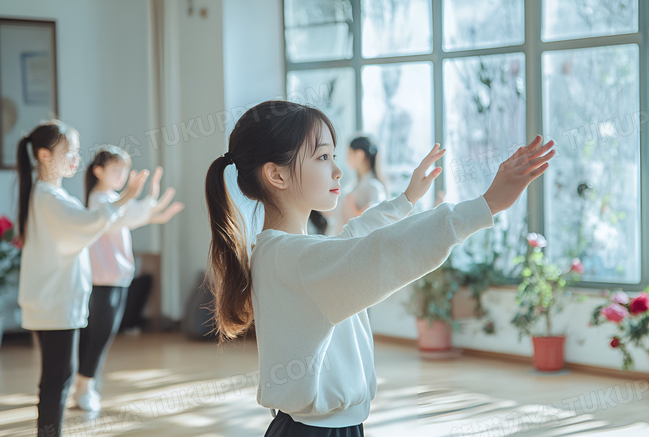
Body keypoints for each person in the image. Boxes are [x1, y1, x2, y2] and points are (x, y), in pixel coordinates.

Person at [203, 100, 554, 436]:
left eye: (334, 156)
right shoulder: (296, 259)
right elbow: (381, 253)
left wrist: (406, 201)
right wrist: (486, 205)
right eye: (323, 157)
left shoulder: (286, 252)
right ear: (276, 175)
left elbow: (352, 240)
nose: (338, 170)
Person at [15, 120, 148, 437]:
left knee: (56, 379)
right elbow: (87, 224)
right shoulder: (49, 197)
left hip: (51, 302)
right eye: (69, 151)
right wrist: (124, 198)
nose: (77, 159)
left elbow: (85, 226)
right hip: (56, 304)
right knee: (58, 380)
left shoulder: (46, 195)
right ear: (45, 156)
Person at [73, 145, 183, 412]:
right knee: (99, 333)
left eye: (125, 169)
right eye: (116, 169)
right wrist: (147, 202)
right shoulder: (100, 201)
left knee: (99, 332)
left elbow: (129, 217)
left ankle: (84, 384)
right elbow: (122, 217)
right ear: (98, 171)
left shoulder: (111, 198)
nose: (122, 175)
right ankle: (84, 387)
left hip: (115, 277)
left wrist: (152, 209)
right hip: (104, 279)